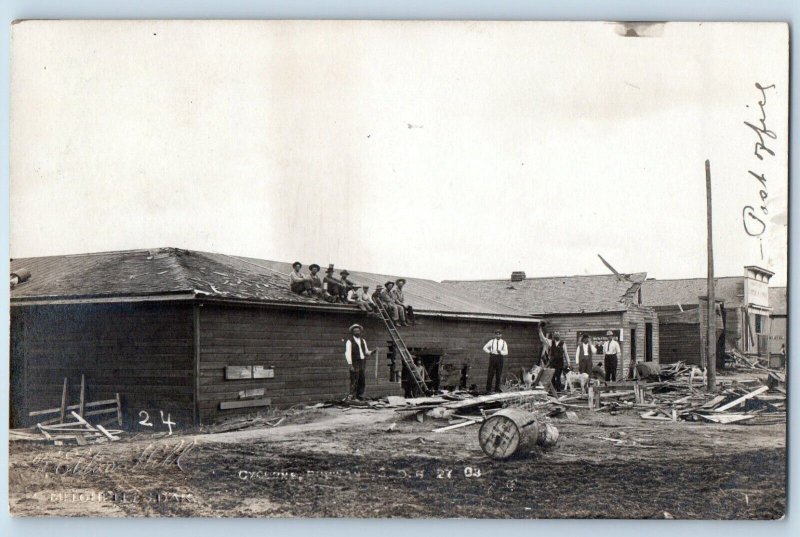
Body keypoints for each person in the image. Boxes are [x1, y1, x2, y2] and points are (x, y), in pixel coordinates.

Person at [344, 324, 376, 400]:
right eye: (355, 331)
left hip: (362, 362)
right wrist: (350, 364)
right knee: (354, 379)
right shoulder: (349, 341)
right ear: (352, 332)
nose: (357, 332)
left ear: (360, 331)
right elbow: (347, 353)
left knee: (362, 379)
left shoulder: (363, 341)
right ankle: (352, 396)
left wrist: (372, 352)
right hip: (355, 362)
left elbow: (366, 352)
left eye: (358, 331)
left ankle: (360, 396)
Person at [539, 324, 569, 392]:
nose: (557, 336)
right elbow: (543, 339)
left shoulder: (563, 344)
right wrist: (540, 331)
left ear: (560, 335)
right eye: (555, 335)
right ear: (554, 336)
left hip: (560, 362)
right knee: (552, 376)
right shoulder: (550, 342)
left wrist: (568, 363)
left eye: (558, 334)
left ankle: (558, 390)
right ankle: (552, 390)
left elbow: (566, 354)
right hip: (553, 361)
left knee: (558, 376)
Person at [482, 329, 508, 394]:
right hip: (493, 357)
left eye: (499, 334)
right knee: (490, 373)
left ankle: (497, 389)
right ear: (495, 334)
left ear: (501, 335)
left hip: (500, 358)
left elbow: (506, 352)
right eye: (496, 334)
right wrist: (489, 352)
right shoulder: (491, 341)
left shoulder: (504, 342)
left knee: (498, 374)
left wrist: (501, 352)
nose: (498, 335)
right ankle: (488, 389)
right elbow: (484, 347)